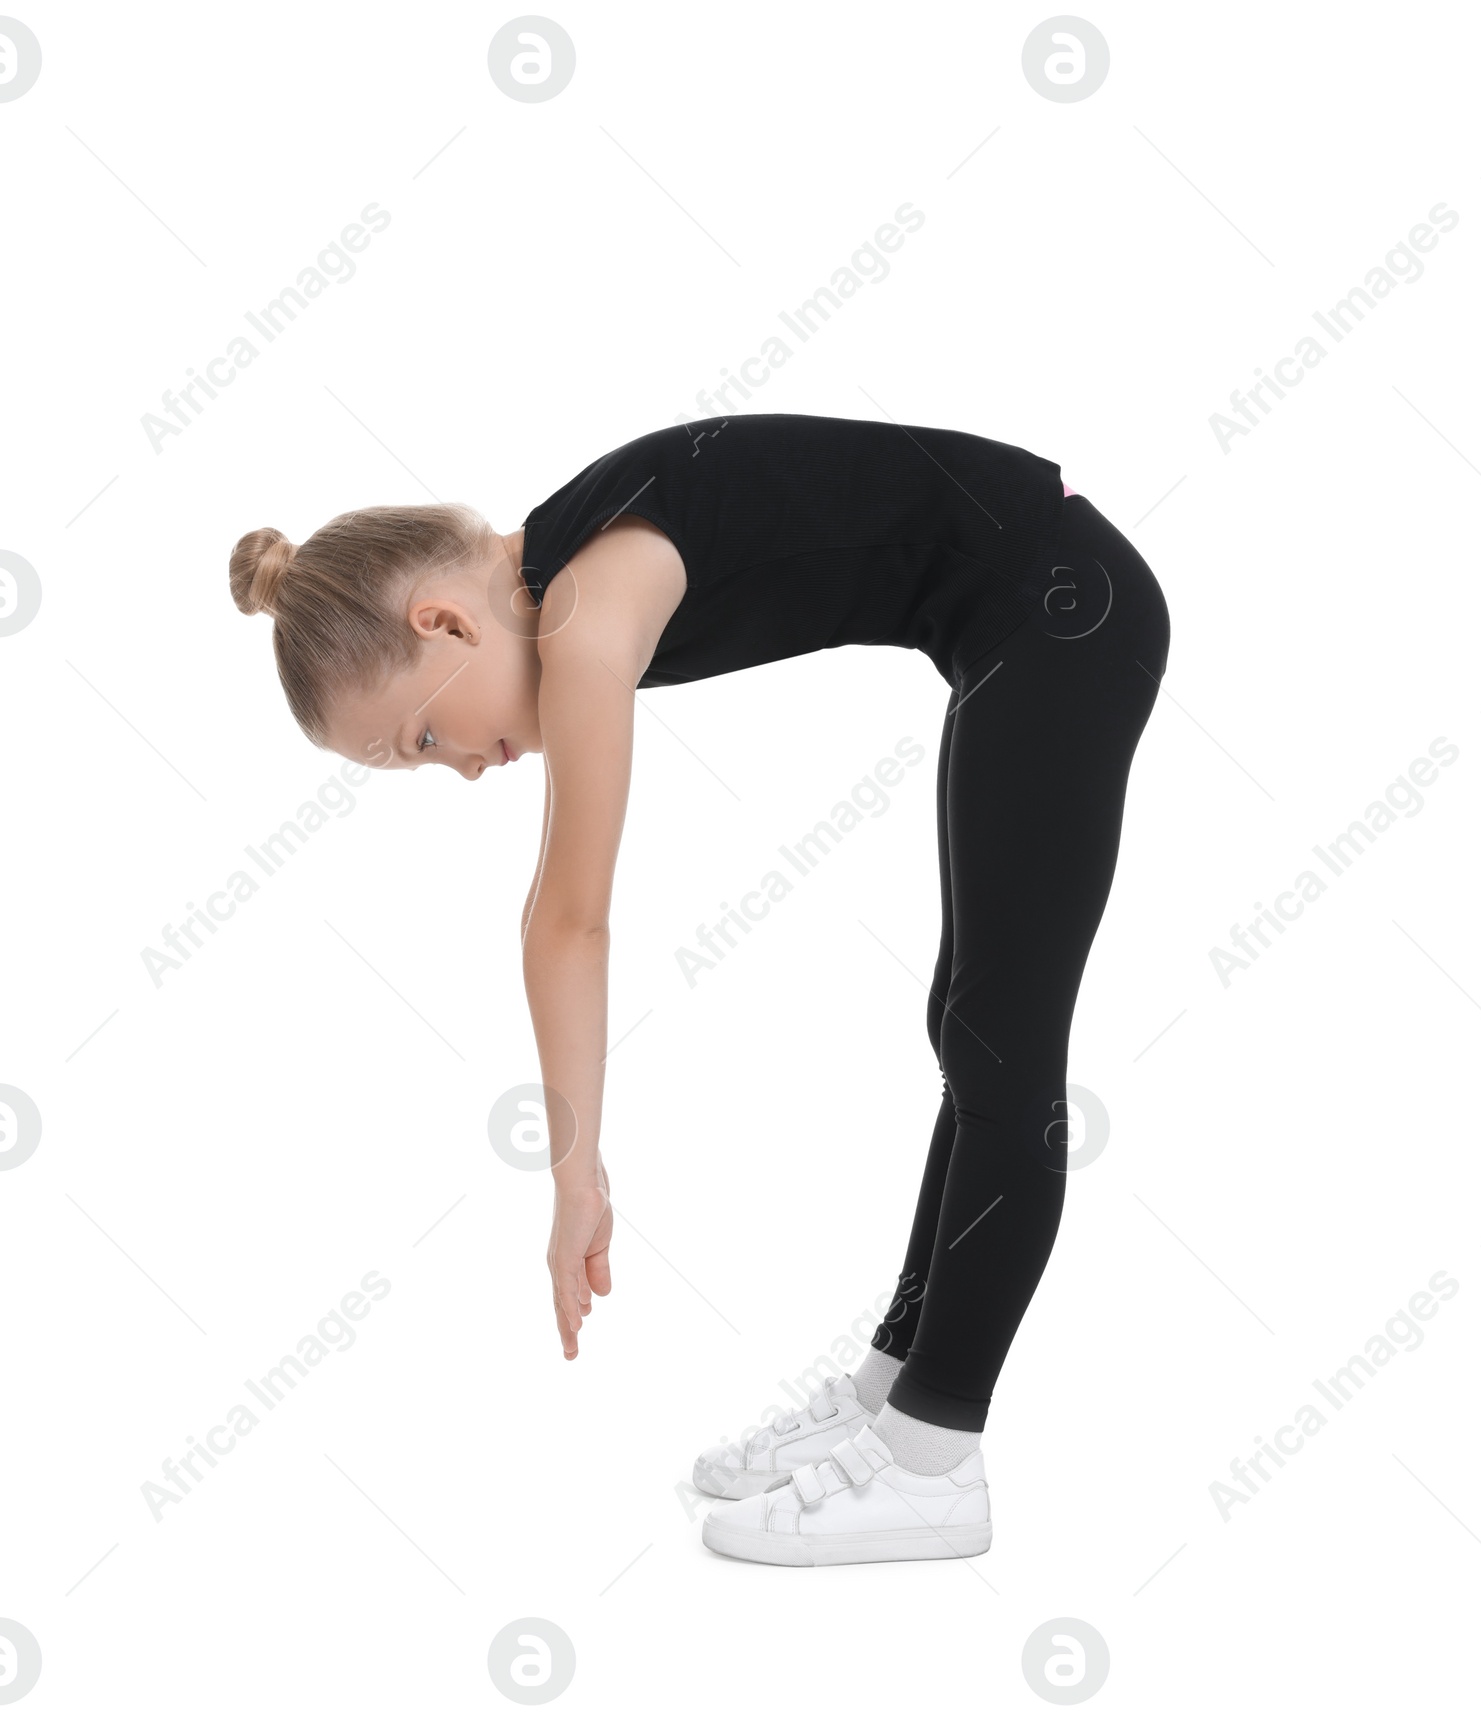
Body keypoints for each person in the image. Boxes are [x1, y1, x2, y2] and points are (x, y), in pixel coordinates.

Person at [229, 411, 1171, 1567]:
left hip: (1067, 605)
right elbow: (549, 913)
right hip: (1018, 616)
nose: (463, 769)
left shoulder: (583, 612)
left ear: (441, 620)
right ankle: (896, 1388)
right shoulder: (566, 573)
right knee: (967, 1024)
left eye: (423, 737)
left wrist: (575, 1178)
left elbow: (568, 919)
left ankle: (936, 1456)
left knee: (1001, 1039)